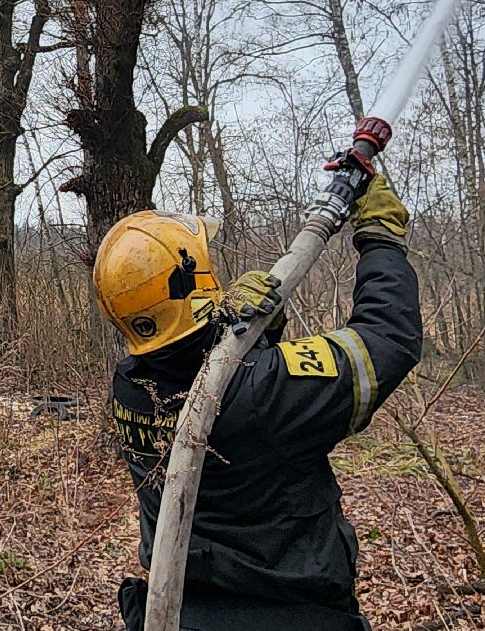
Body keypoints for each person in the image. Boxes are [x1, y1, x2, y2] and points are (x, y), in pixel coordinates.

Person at [94, 175, 420, 631]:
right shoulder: (268, 390)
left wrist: (251, 332)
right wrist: (381, 240)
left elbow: (214, 390)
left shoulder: (129, 387)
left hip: (181, 612)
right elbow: (388, 341)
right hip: (286, 615)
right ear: (198, 284)